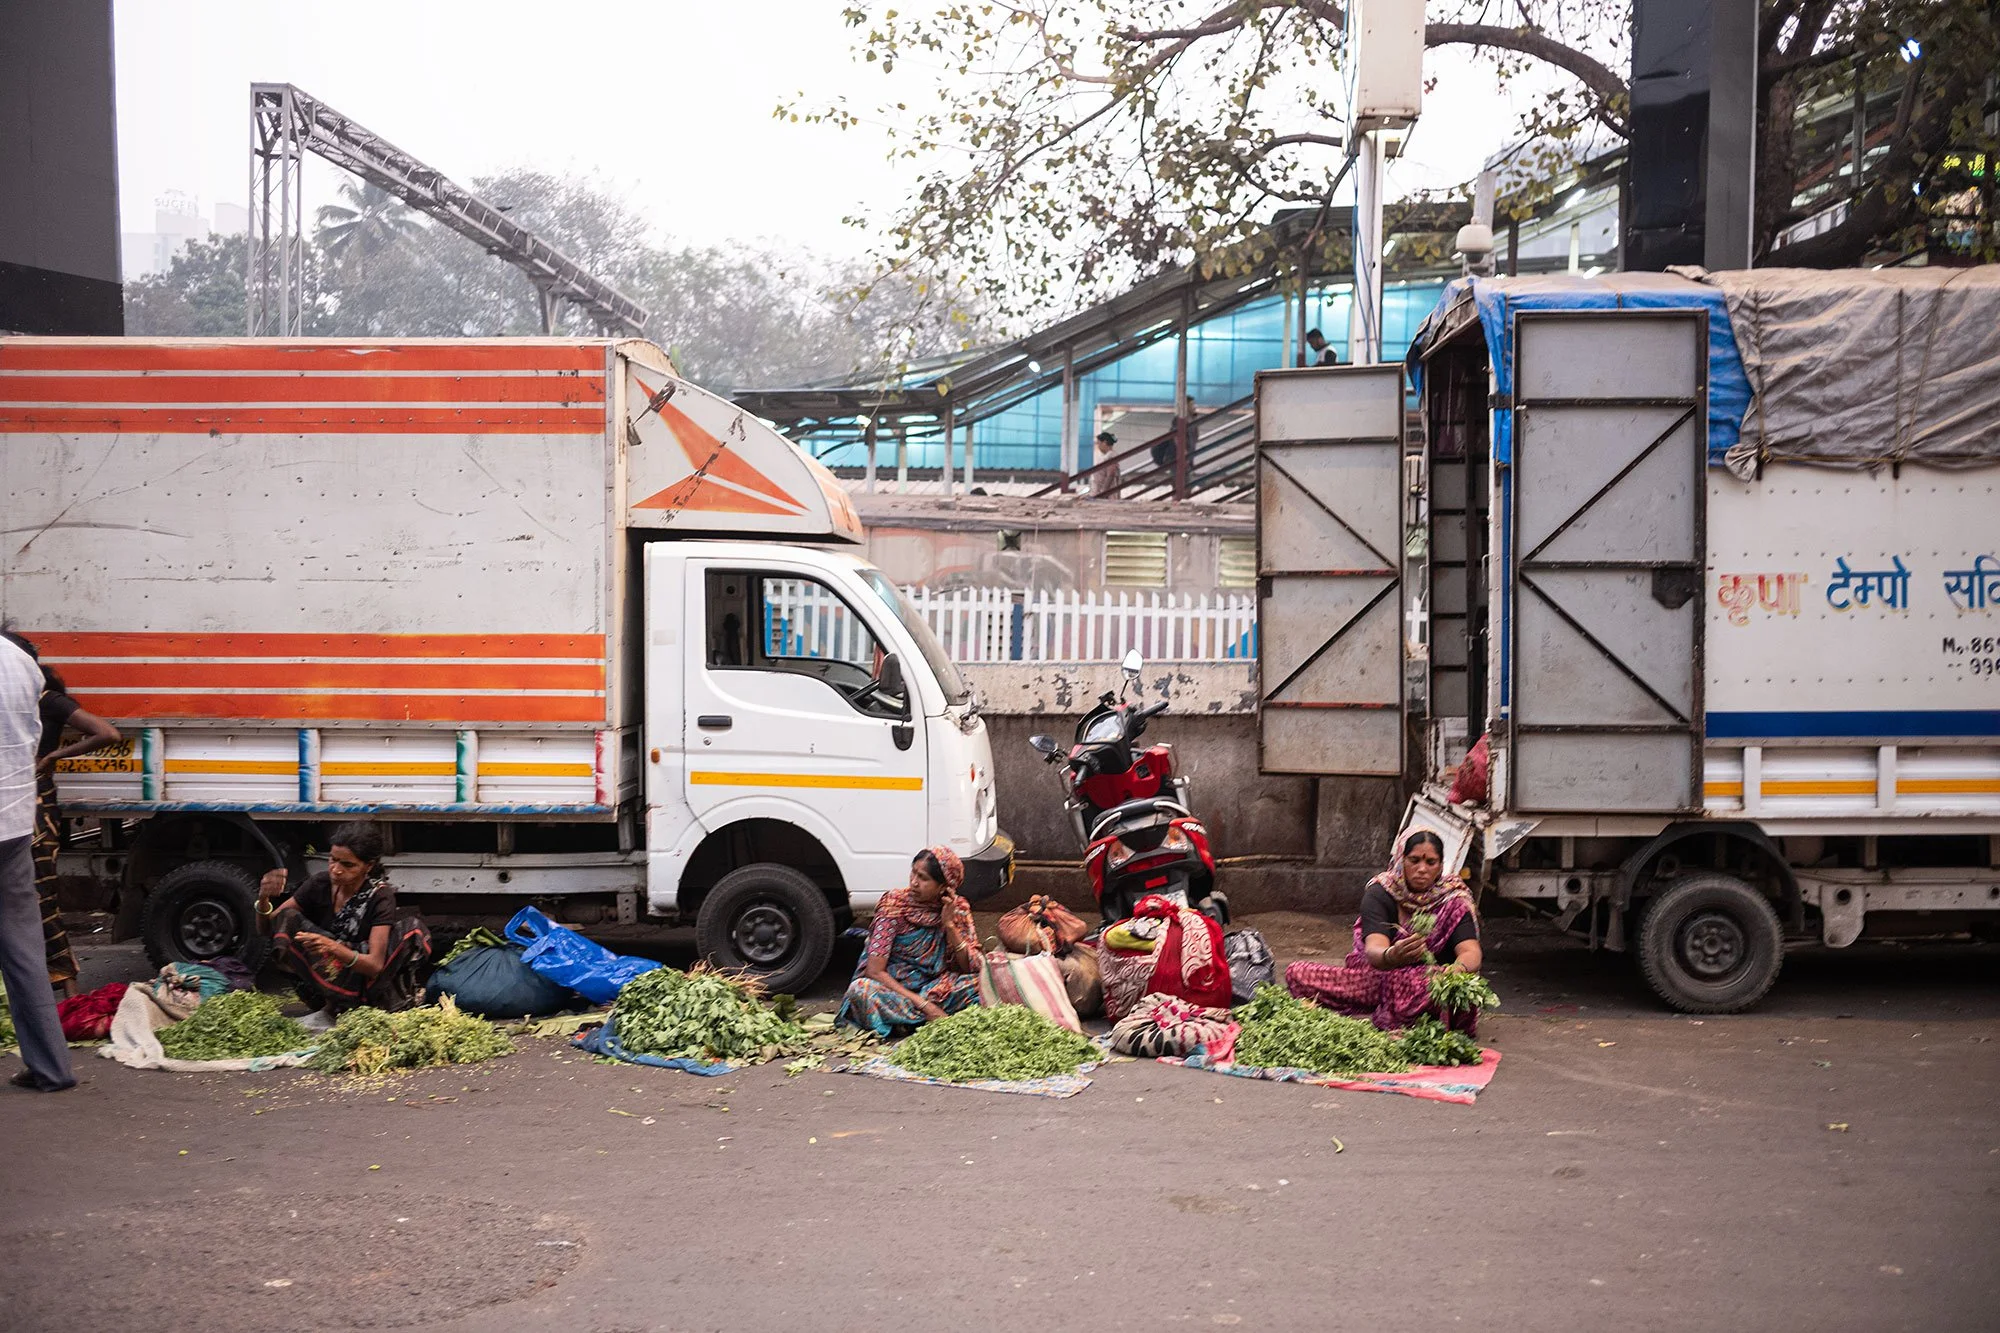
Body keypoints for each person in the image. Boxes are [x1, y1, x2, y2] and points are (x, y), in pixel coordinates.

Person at [2, 633, 122, 998]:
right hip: (27, 804)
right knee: (35, 901)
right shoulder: (31, 699)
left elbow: (108, 734)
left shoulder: (43, 700)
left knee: (40, 900)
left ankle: (67, 994)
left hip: (33, 809)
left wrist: (55, 757)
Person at [1282, 830, 1485, 1035]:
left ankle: (1398, 1014)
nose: (1422, 869)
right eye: (1414, 860)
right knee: (1297, 972)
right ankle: (1393, 1012)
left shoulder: (1453, 900)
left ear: (1441, 866)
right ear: (1400, 860)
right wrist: (1393, 955)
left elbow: (1471, 953)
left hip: (1429, 985)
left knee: (1454, 989)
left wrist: (1452, 973)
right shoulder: (1382, 892)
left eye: (1431, 863)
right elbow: (1374, 950)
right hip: (1376, 979)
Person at [258, 822, 432, 1028]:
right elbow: (269, 928)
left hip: (364, 987)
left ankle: (357, 1007)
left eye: (348, 865)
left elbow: (375, 965)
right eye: (333, 860)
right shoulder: (319, 884)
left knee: (410, 929)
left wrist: (331, 947)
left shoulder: (379, 896)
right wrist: (263, 898)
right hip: (325, 985)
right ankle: (328, 1005)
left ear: (368, 866)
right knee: (288, 916)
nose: (336, 870)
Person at [0, 635, 76, 1090]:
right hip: (13, 820)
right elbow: (30, 735)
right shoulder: (18, 660)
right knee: (25, 950)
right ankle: (52, 1067)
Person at [836, 846, 982, 1037]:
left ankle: (907, 1022)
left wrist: (950, 926)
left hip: (935, 988)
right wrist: (925, 1006)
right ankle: (924, 1019)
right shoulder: (894, 906)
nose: (914, 882)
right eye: (913, 873)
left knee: (982, 983)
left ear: (943, 887)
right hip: (895, 990)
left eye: (923, 878)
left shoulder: (957, 909)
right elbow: (874, 971)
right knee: (860, 991)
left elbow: (970, 966)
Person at [1088, 430, 1122, 497]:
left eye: (1098, 443)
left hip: (1106, 495)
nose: (1098, 446)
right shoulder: (1107, 456)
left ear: (1104, 443)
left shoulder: (1110, 456)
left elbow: (1111, 474)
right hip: (1100, 492)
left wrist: (1103, 493)